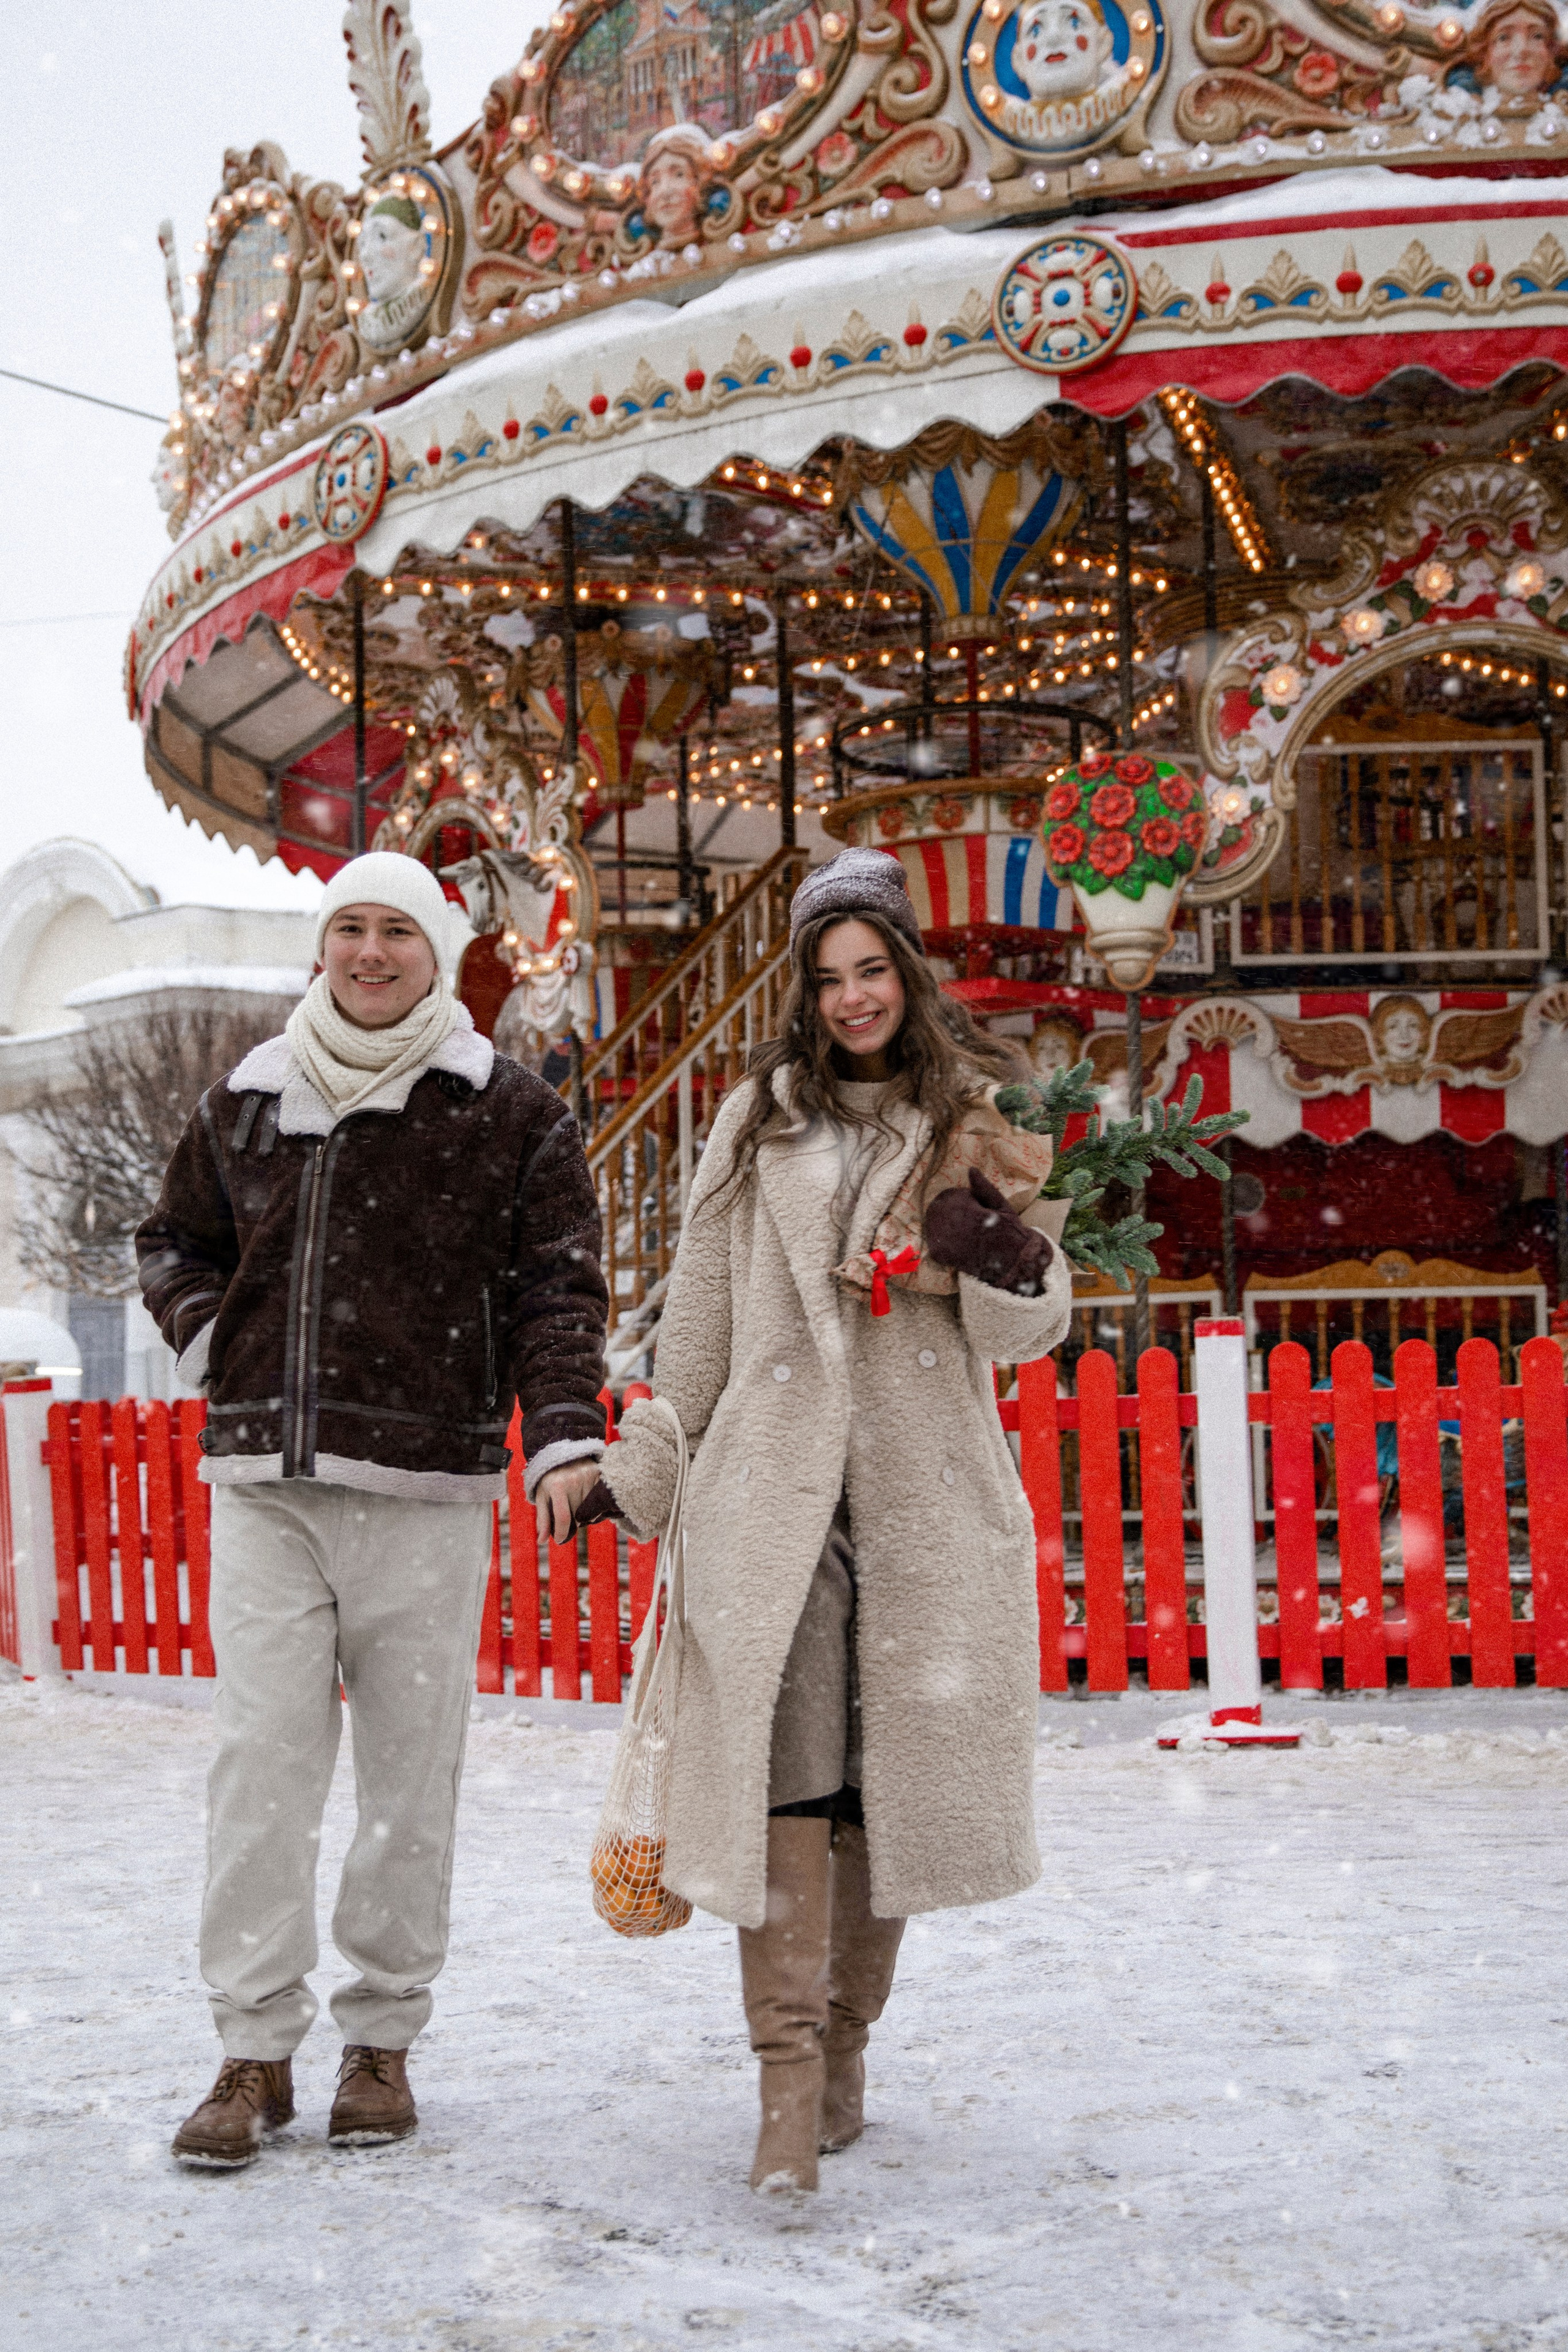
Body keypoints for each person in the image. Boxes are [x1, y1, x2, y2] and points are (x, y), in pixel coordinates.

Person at [578, 848, 1071, 2192]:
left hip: (921, 1513)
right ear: (801, 992)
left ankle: (847, 2045)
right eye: (827, 977)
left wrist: (999, 1252)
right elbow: (695, 1331)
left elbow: (1030, 1331)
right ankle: (783, 2088)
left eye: (872, 971)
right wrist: (640, 1471)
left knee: (884, 1798)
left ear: (907, 976)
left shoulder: (978, 1117)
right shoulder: (758, 1122)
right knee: (788, 1787)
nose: (852, 998)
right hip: (775, 1514)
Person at [137, 851, 608, 2168]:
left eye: (395, 929)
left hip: (423, 1488)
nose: (367, 951)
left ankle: (382, 2041)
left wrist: (563, 1426)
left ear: (441, 948)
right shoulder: (244, 1097)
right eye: (346, 926)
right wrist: (206, 1345)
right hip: (268, 1488)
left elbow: (558, 1287)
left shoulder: (504, 1109)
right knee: (259, 1776)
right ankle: (249, 2048)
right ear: (321, 945)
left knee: (410, 1780)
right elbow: (173, 1241)